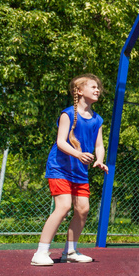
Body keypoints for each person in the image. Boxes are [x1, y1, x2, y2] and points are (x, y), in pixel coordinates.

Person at [32, 74, 108, 266]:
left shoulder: (97, 119)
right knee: (64, 206)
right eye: (93, 86)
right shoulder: (68, 114)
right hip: (60, 169)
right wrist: (78, 154)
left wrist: (99, 160)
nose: (97, 89)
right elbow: (60, 142)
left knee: (83, 209)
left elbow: (99, 145)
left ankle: (70, 251)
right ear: (79, 91)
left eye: (98, 87)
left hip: (80, 172)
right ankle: (40, 252)